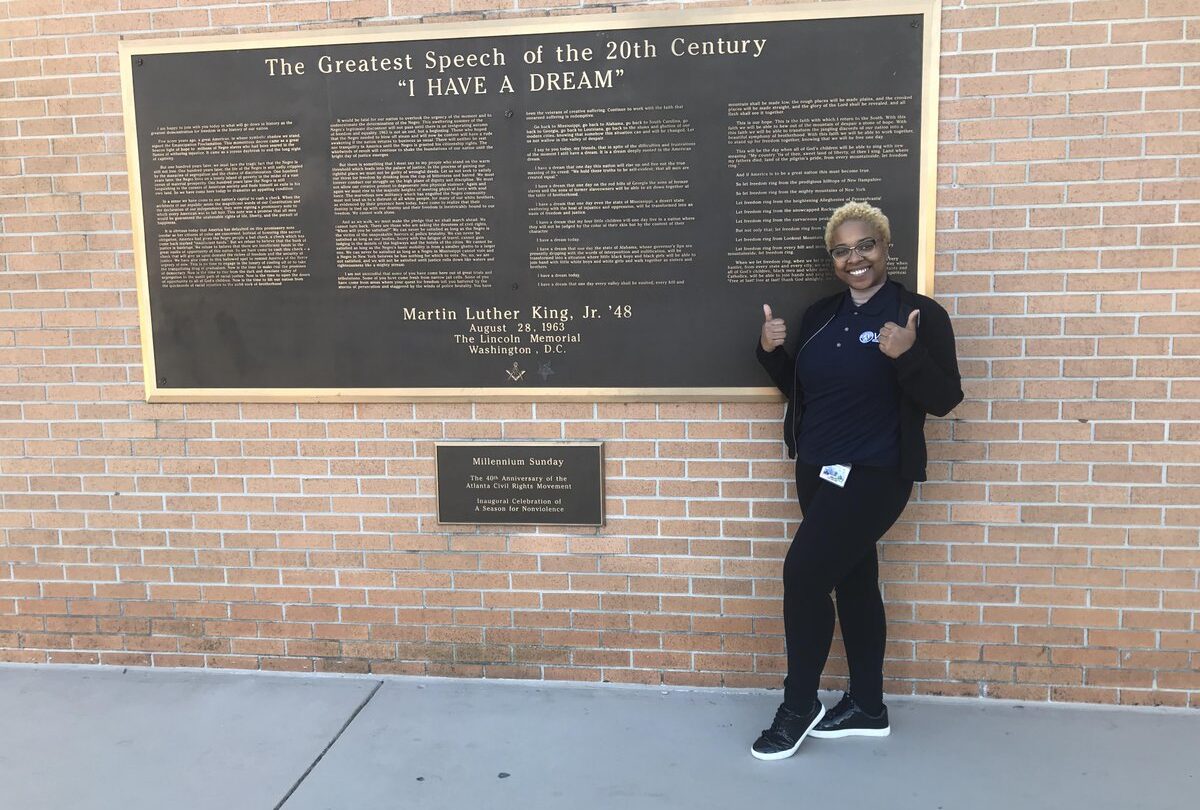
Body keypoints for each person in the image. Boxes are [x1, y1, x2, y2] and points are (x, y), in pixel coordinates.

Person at [749, 201, 963, 761]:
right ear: (833, 260)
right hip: (817, 469)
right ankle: (868, 707)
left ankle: (798, 705)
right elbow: (806, 389)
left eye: (864, 244)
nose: (855, 258)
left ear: (886, 246)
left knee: (803, 574)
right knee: (855, 581)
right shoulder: (821, 315)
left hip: (875, 472)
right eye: (841, 250)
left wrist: (907, 356)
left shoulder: (920, 315)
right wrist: (773, 354)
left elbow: (944, 400)